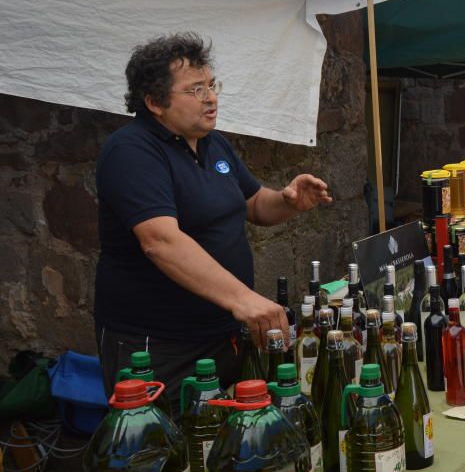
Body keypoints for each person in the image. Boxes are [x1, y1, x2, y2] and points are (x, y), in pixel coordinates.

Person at [95, 33, 332, 407]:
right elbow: (160, 241)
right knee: (171, 452)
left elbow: (254, 203)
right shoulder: (132, 151)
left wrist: (287, 201)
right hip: (159, 345)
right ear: (155, 102)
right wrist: (244, 300)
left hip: (222, 336)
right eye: (195, 90)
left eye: (211, 85)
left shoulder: (212, 143)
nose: (211, 98)